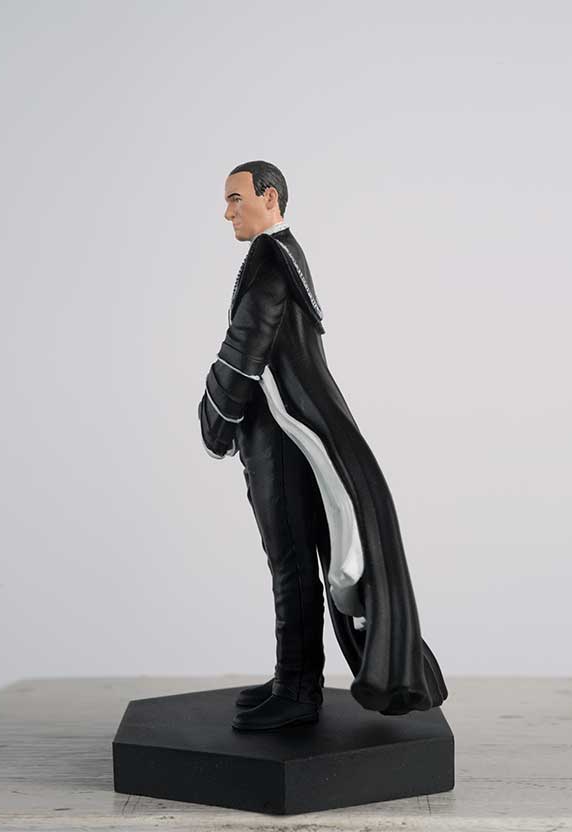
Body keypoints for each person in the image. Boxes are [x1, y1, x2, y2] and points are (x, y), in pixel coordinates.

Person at [199, 160, 448, 731]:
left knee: (288, 561)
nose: (228, 212)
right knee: (291, 561)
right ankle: (293, 678)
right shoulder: (282, 253)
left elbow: (246, 343)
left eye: (236, 198)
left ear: (269, 198)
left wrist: (215, 421)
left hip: (280, 439)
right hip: (284, 433)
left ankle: (296, 690)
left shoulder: (271, 259)